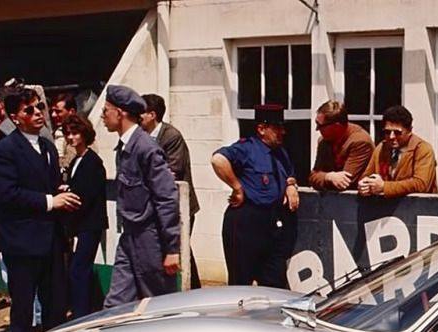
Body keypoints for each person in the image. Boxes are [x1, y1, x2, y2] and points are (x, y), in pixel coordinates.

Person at [0, 88, 80, 332]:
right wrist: (51, 201)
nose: (38, 113)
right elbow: (8, 194)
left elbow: (47, 184)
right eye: (29, 110)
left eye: (39, 107)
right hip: (22, 241)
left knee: (55, 305)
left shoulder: (48, 146)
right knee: (23, 307)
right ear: (15, 117)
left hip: (51, 240)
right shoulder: (5, 150)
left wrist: (61, 191)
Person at [100, 85, 181, 307]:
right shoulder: (124, 147)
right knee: (116, 303)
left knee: (159, 304)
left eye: (106, 110)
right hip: (130, 237)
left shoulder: (146, 148)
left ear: (120, 113)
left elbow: (166, 198)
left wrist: (172, 249)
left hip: (150, 241)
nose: (103, 116)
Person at [210, 104, 300, 287]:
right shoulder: (247, 148)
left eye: (282, 127)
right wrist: (237, 187)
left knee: (276, 283)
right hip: (246, 222)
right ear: (261, 129)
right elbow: (218, 159)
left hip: (272, 223)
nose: (282, 132)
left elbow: (288, 174)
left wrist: (291, 185)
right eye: (277, 127)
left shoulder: (280, 152)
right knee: (241, 283)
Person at [141, 93, 201, 288]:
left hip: (178, 206)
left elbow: (172, 171)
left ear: (152, 115)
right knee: (176, 251)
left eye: (141, 112)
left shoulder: (171, 136)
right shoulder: (141, 136)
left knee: (180, 250)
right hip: (157, 205)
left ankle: (192, 291)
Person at [61, 113, 108, 319]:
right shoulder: (77, 160)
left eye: (75, 133)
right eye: (68, 134)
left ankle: (82, 314)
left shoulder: (92, 161)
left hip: (90, 223)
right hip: (81, 224)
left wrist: (69, 192)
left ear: (84, 134)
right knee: (78, 269)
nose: (71, 137)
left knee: (79, 270)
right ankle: (80, 310)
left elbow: (87, 194)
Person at [360, 105, 437, 198]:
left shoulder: (423, 149)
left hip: (417, 205)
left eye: (397, 133)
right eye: (387, 132)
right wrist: (364, 184)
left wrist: (385, 187)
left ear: (409, 131)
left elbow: (421, 184)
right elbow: (367, 175)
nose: (391, 137)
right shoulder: (381, 148)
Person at [309, 100, 373, 192]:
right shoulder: (324, 142)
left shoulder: (360, 141)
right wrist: (328, 176)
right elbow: (313, 176)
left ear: (337, 126)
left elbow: (345, 182)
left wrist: (322, 178)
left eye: (320, 125)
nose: (317, 129)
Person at [50, 92, 78, 170]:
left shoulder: (81, 134)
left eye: (58, 111)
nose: (53, 115)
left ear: (71, 111)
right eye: (52, 111)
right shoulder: (54, 132)